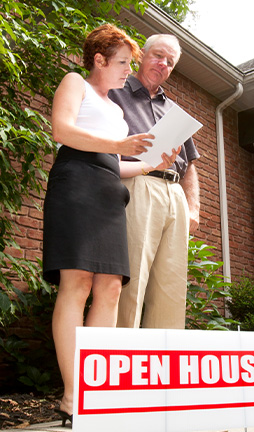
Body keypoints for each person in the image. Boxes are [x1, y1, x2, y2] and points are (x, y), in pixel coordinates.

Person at [43, 24, 180, 424]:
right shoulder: (75, 83)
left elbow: (115, 164)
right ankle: (72, 397)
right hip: (75, 187)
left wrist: (151, 164)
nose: (126, 71)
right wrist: (118, 145)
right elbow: (62, 130)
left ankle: (95, 393)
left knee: (110, 290)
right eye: (121, 63)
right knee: (77, 284)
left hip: (109, 193)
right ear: (99, 60)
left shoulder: (118, 111)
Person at [110, 34, 201, 331]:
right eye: (158, 56)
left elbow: (190, 166)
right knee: (131, 278)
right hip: (138, 185)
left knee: (172, 286)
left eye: (170, 62)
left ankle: (164, 369)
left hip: (174, 194)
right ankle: (122, 362)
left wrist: (193, 208)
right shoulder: (114, 93)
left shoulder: (175, 112)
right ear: (143, 56)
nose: (162, 64)